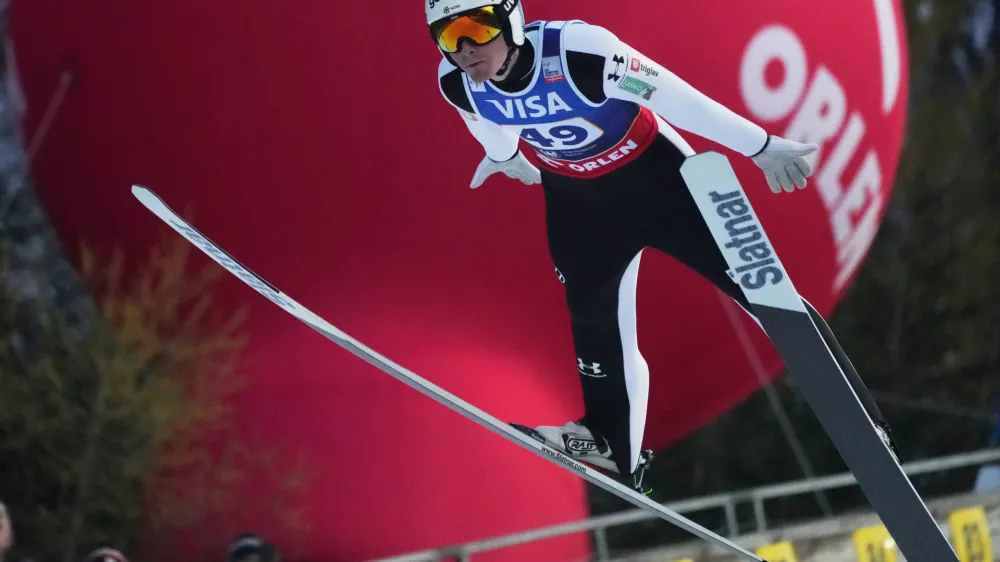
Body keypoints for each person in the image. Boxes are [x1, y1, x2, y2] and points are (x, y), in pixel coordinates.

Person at [426, 0, 900, 491]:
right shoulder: (456, 81)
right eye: (447, 36)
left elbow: (674, 97)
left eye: (475, 28)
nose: (463, 49)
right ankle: (612, 441)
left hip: (657, 181)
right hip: (578, 203)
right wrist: (503, 157)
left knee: (762, 290)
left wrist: (757, 144)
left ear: (511, 20)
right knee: (592, 314)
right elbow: (482, 120)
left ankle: (862, 420)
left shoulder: (581, 53)